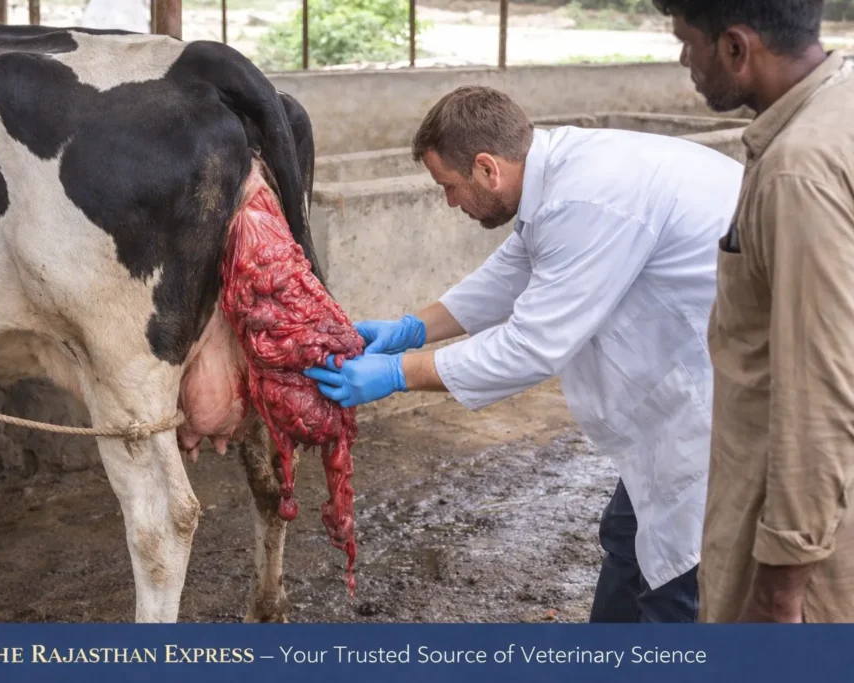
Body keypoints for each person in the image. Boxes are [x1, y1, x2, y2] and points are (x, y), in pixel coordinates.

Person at [303, 85, 743, 622]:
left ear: (487, 168)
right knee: (630, 543)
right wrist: (414, 327)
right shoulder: (556, 173)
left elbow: (531, 347)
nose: (449, 202)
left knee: (679, 579)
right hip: (684, 395)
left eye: (449, 186)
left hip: (718, 405)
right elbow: (515, 269)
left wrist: (399, 372)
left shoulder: (587, 197)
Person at [654, 0, 854, 623]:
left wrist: (778, 589)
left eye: (689, 42)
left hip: (810, 561)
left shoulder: (798, 172)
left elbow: (821, 393)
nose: (685, 59)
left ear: (736, 48)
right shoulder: (838, 111)